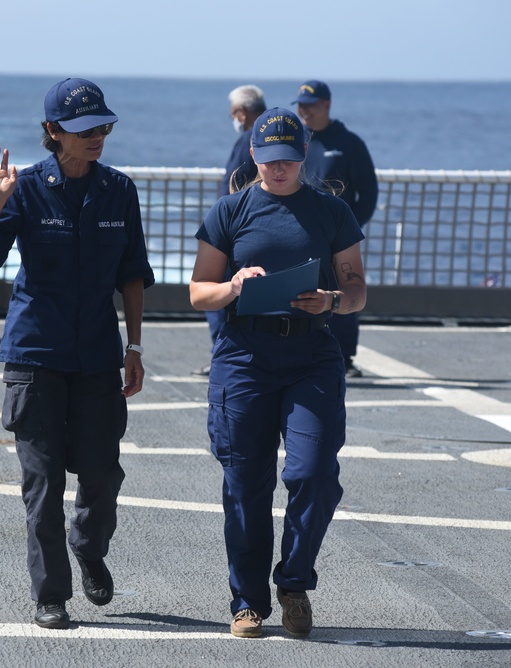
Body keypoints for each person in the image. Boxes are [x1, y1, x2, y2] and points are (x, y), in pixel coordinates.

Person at [0, 77, 154, 630]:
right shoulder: (23, 188)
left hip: (97, 354)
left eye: (102, 126)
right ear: (52, 132)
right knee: (43, 482)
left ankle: (89, 547)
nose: (97, 136)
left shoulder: (119, 189)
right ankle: (51, 594)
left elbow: (133, 277)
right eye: (83, 129)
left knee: (102, 474)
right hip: (34, 354)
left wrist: (134, 345)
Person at [189, 108, 366, 638]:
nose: (278, 169)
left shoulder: (332, 212)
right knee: (245, 482)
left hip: (312, 354)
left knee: (313, 473)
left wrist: (332, 300)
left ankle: (292, 580)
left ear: (304, 156)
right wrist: (237, 286)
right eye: (268, 160)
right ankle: (246, 601)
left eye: (289, 159)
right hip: (244, 356)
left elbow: (357, 291)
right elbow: (199, 292)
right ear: (253, 156)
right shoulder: (230, 211)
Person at [294, 80, 378, 378]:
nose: (304, 110)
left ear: (327, 105)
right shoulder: (295, 143)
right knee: (302, 293)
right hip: (299, 236)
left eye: (311, 105)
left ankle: (345, 357)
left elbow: (368, 194)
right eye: (301, 104)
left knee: (342, 291)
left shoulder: (349, 143)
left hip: (337, 238)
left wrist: (348, 234)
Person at [195, 85, 268, 377]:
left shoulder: (246, 143)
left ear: (241, 112)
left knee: (218, 294)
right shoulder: (270, 138)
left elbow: (233, 188)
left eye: (233, 114)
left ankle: (222, 356)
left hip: (236, 233)